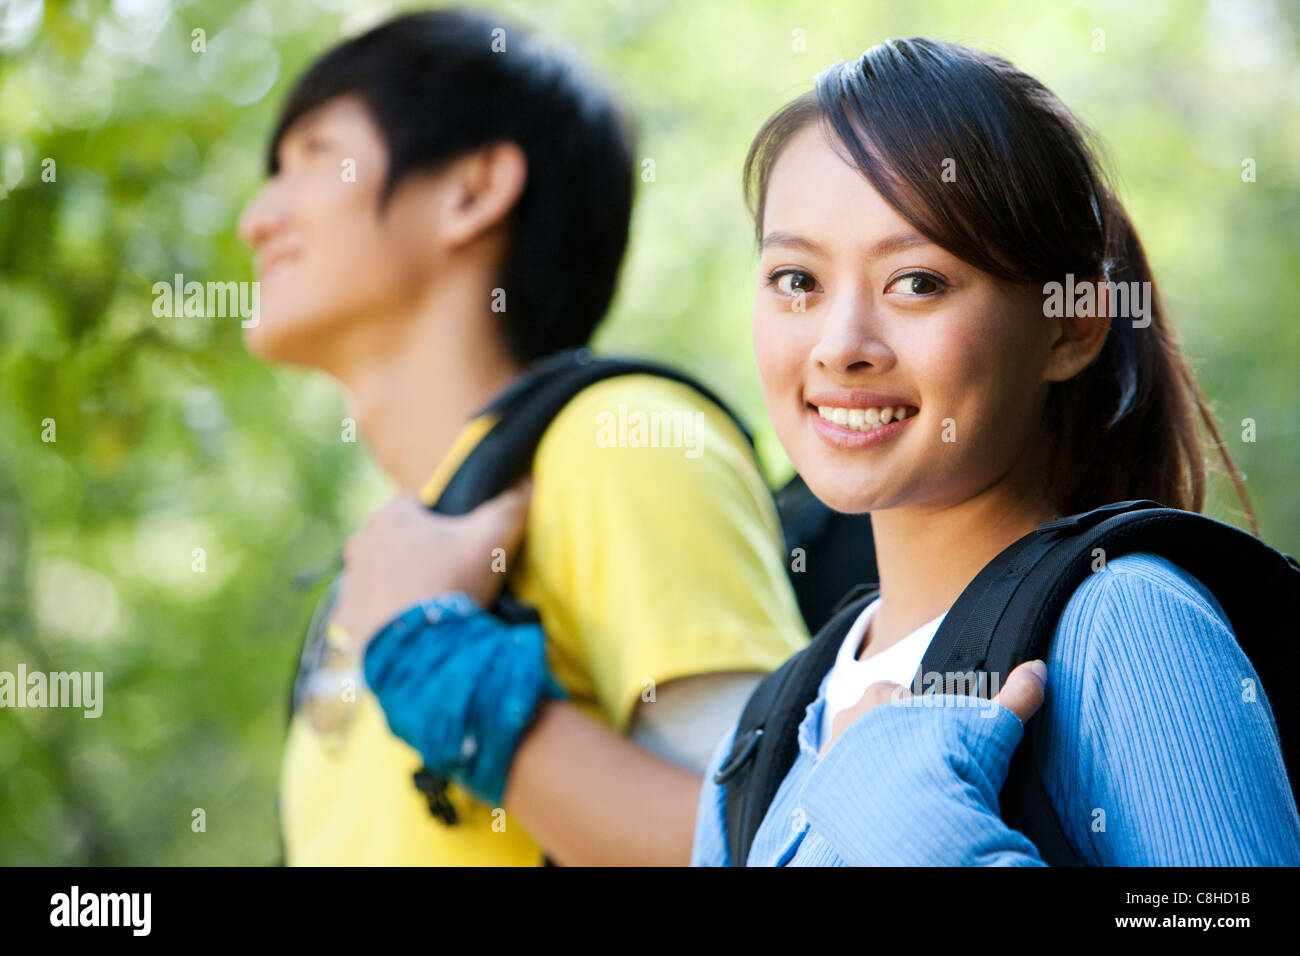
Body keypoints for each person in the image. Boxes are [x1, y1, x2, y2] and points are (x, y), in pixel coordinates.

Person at [346, 36, 1300, 866]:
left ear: (1070, 329)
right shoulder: (776, 721)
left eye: (919, 281)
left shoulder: (1123, 623)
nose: (841, 341)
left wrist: (930, 842)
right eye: (796, 279)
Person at [237, 7, 807, 866]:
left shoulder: (620, 438)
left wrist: (441, 666)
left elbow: (789, 839)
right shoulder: (368, 582)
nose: (257, 218)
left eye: (314, 157)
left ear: (473, 189)